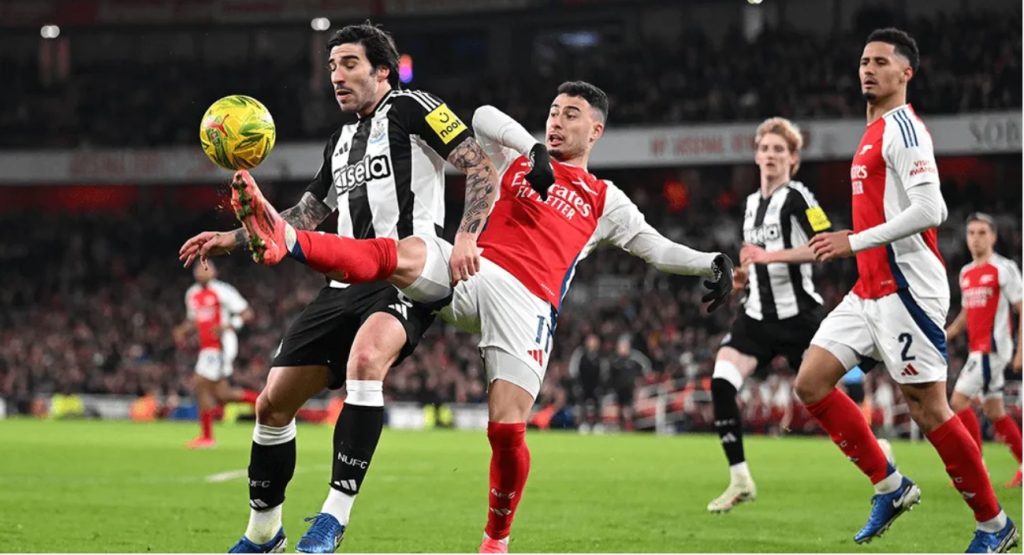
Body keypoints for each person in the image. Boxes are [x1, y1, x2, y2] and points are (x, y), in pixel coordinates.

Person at [227, 80, 734, 553]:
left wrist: (710, 262)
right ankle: (291, 243)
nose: (556, 121)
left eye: (571, 115)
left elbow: (657, 249)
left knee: (506, 431)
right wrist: (532, 148)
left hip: (528, 305)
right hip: (473, 272)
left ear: (595, 130)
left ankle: (496, 541)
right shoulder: (517, 159)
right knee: (407, 250)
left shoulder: (605, 199)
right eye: (553, 112)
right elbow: (483, 116)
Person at [178, 22, 500, 553]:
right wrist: (232, 237)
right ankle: (264, 533)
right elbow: (306, 213)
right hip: (341, 283)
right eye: (332, 66)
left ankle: (333, 517)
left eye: (349, 63)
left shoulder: (414, 107)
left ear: (382, 69)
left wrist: (467, 236)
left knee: (365, 362)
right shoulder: (340, 140)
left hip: (404, 272)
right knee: (271, 406)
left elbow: (478, 164)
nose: (337, 76)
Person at [798, 28, 1017, 552]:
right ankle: (891, 486)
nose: (867, 70)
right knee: (811, 383)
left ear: (905, 73)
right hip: (869, 287)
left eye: (880, 62)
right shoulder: (870, 131)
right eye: (863, 62)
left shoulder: (904, 129)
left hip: (908, 290)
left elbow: (931, 210)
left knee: (929, 409)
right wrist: (859, 251)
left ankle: (995, 525)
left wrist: (854, 240)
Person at [706, 116, 833, 513]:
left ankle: (881, 462)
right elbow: (754, 258)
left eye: (780, 150)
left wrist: (769, 256)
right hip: (757, 317)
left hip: (799, 318)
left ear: (793, 159)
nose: (771, 155)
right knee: (722, 382)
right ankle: (740, 478)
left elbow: (824, 246)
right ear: (756, 155)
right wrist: (743, 276)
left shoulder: (799, 197)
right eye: (765, 148)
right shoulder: (749, 204)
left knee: (826, 405)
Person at [945, 212, 1023, 487]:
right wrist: (950, 332)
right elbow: (968, 311)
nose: (976, 238)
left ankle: (977, 468)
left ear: (993, 236)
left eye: (981, 233)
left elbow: (1021, 307)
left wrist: (1021, 350)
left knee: (958, 401)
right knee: (994, 411)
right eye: (971, 233)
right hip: (977, 349)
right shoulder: (966, 273)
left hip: (992, 350)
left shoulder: (1004, 269)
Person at [172, 259, 257, 449]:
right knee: (223, 394)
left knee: (199, 383)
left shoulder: (223, 291)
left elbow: (247, 313)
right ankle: (265, 402)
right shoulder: (192, 294)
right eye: (198, 268)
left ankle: (207, 437)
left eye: (206, 267)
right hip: (206, 348)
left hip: (221, 345)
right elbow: (194, 320)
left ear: (215, 272)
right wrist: (181, 331)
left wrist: (228, 325)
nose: (201, 271)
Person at [567, 333, 606, 433]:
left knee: (597, 404)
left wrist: (602, 384)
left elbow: (604, 370)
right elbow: (573, 368)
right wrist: (576, 383)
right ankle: (583, 424)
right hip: (583, 383)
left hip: (596, 384)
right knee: (582, 404)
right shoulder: (580, 353)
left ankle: (597, 424)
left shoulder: (600, 356)